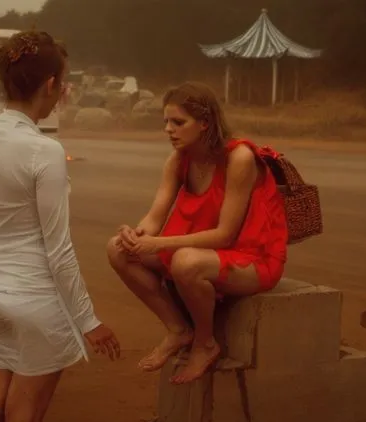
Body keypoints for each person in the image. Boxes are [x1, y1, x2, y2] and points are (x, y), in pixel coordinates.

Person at [0, 31, 120, 422]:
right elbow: (59, 250)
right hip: (35, 305)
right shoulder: (44, 150)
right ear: (50, 85)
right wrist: (89, 320)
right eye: (63, 83)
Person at [107, 81, 287, 385]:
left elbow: (224, 236)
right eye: (165, 121)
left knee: (185, 262)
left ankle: (205, 344)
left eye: (178, 122)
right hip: (202, 253)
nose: (168, 129)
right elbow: (154, 216)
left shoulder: (238, 158)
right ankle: (178, 330)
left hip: (252, 259)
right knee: (117, 249)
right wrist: (135, 235)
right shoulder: (179, 160)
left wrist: (158, 242)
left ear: (204, 123)